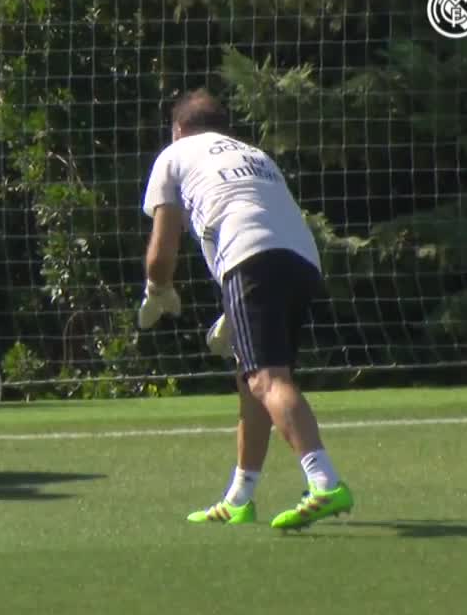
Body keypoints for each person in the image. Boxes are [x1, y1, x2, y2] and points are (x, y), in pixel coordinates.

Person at [136, 89, 354, 530]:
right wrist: (233, 309)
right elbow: (261, 216)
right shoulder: (256, 155)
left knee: (267, 380)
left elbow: (163, 247)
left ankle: (325, 482)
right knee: (250, 378)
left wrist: (157, 289)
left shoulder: (174, 155)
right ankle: (240, 497)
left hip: (250, 259)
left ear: (178, 129)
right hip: (303, 261)